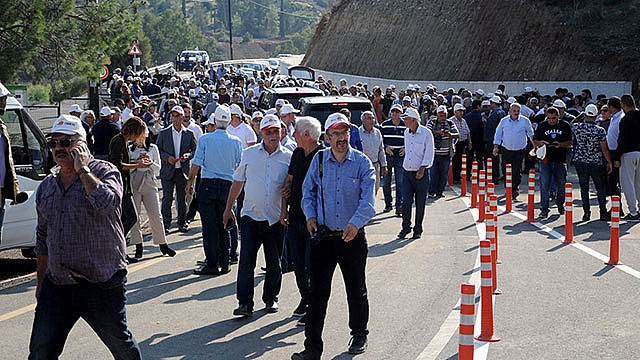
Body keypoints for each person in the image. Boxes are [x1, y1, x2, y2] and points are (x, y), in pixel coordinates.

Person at [30, 115, 141, 359]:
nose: (59, 149)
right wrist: (41, 282)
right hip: (57, 285)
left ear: (83, 144)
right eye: (55, 143)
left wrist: (83, 170)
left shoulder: (106, 171)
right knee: (40, 352)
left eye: (67, 142)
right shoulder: (48, 185)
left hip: (100, 283)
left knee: (122, 348)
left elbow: (108, 204)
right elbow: (42, 237)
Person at [291, 112, 376, 360]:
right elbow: (307, 193)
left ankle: (359, 333)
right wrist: (310, 216)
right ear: (327, 137)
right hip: (324, 238)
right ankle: (312, 349)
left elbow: (368, 201)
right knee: (317, 293)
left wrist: (356, 223)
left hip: (352, 238)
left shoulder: (362, 163)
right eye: (336, 133)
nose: (341, 138)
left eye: (344, 132)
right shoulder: (318, 161)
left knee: (356, 289)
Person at [224, 114, 293, 317]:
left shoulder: (288, 157)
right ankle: (245, 303)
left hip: (275, 218)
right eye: (268, 132)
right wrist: (228, 209)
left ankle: (271, 298)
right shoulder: (249, 154)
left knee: (274, 262)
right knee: (246, 261)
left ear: (281, 132)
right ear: (261, 133)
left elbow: (291, 184)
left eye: (275, 131)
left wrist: (288, 195)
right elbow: (238, 182)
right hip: (251, 216)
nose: (272, 135)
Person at [187, 105, 243, 275]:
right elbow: (239, 166)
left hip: (208, 184)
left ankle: (212, 263)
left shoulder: (205, 139)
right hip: (227, 185)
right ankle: (225, 262)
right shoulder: (236, 141)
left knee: (209, 227)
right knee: (225, 225)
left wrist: (190, 183)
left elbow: (196, 164)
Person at [279, 116, 324, 327]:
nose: (293, 135)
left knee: (312, 264)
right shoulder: (297, 153)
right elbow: (289, 181)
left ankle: (313, 307)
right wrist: (283, 208)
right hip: (295, 216)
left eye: (295, 131)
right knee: (297, 263)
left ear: (306, 134)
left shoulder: (323, 156)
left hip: (315, 221)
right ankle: (305, 298)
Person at [129, 130, 176, 258]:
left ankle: (162, 243)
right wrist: (137, 162)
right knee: (135, 215)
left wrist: (149, 162)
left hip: (149, 181)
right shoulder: (130, 149)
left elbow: (158, 168)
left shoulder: (153, 148)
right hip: (135, 182)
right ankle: (138, 245)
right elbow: (128, 168)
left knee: (156, 214)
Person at [156, 105, 198, 233]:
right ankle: (166, 225)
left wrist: (188, 155)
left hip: (182, 171)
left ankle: (182, 222)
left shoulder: (189, 134)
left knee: (181, 198)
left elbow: (195, 150)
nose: (175, 118)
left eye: (177, 116)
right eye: (173, 116)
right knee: (167, 198)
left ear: (182, 117)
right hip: (168, 170)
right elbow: (158, 150)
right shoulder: (164, 133)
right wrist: (167, 157)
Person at [398, 108, 435, 239]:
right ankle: (405, 227)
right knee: (406, 201)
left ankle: (418, 229)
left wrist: (422, 168)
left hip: (421, 173)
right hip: (407, 172)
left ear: (414, 120)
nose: (404, 121)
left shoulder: (426, 133)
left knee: (420, 203)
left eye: (406, 119)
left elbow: (429, 152)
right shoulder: (406, 133)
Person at [572, 104, 612, 221]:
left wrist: (581, 115)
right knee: (600, 188)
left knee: (584, 188)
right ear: (596, 116)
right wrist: (609, 162)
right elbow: (604, 148)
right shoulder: (600, 130)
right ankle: (603, 212)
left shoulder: (577, 127)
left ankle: (586, 213)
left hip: (581, 160)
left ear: (585, 114)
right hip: (596, 161)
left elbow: (572, 123)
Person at [533, 107, 572, 219]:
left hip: (560, 159)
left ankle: (560, 203)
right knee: (545, 184)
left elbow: (570, 142)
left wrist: (560, 144)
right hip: (545, 159)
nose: (551, 121)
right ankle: (544, 209)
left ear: (558, 116)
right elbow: (535, 141)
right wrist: (541, 142)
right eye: (549, 118)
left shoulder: (564, 125)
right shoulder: (542, 125)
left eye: (553, 118)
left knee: (561, 184)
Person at [493, 102, 534, 200]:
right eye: (514, 111)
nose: (516, 113)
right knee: (505, 169)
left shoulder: (525, 121)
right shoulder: (504, 121)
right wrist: (495, 147)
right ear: (510, 111)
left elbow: (530, 134)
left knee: (516, 170)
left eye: (518, 111)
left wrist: (535, 146)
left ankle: (514, 188)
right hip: (506, 149)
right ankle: (508, 188)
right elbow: (498, 134)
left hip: (519, 149)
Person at [0, 82, 22, 239]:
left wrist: (14, 191)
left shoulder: (2, 127)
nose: (5, 104)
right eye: (3, 100)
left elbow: (8, 161)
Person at [615, 94, 640, 221]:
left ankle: (633, 212)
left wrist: (616, 157)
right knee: (638, 183)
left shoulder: (625, 119)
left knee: (628, 184)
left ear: (623, 105)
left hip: (629, 153)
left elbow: (622, 140)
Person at [427, 105, 459, 198]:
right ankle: (431, 191)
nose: (443, 118)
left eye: (444, 115)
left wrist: (449, 134)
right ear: (437, 115)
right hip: (434, 153)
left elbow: (457, 134)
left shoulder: (450, 123)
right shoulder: (432, 122)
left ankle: (440, 192)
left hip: (446, 154)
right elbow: (426, 132)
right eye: (441, 116)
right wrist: (437, 132)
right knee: (433, 173)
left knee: (444, 174)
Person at [380, 103, 406, 215]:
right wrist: (386, 148)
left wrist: (405, 148)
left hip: (400, 155)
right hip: (388, 155)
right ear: (390, 113)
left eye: (397, 112)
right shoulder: (384, 125)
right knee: (386, 181)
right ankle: (388, 204)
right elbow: (380, 141)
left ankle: (399, 205)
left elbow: (410, 139)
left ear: (401, 113)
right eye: (393, 111)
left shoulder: (405, 125)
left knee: (400, 181)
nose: (395, 114)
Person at [358, 111, 387, 195]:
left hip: (375, 165)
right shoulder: (358, 132)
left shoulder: (377, 132)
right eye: (369, 118)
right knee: (364, 191)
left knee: (375, 189)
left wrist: (384, 165)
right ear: (363, 121)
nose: (372, 120)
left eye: (373, 118)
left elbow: (381, 149)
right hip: (362, 167)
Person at [606, 97, 625, 211]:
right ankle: (617, 207)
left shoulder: (621, 119)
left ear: (612, 107)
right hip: (612, 152)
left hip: (617, 153)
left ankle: (618, 208)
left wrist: (617, 156)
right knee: (612, 182)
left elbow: (621, 139)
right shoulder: (614, 118)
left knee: (614, 182)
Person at [485, 96, 506, 184]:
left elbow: (494, 126)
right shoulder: (498, 112)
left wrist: (486, 121)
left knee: (494, 158)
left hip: (493, 139)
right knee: (494, 159)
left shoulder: (497, 113)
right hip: (494, 138)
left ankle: (494, 177)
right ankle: (495, 176)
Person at [450, 103, 471, 183]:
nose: (461, 113)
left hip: (463, 143)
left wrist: (470, 142)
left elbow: (468, 132)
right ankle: (455, 177)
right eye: (459, 111)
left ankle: (460, 176)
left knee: (463, 161)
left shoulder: (463, 120)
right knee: (456, 161)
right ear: (455, 112)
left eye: (462, 111)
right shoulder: (451, 121)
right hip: (456, 144)